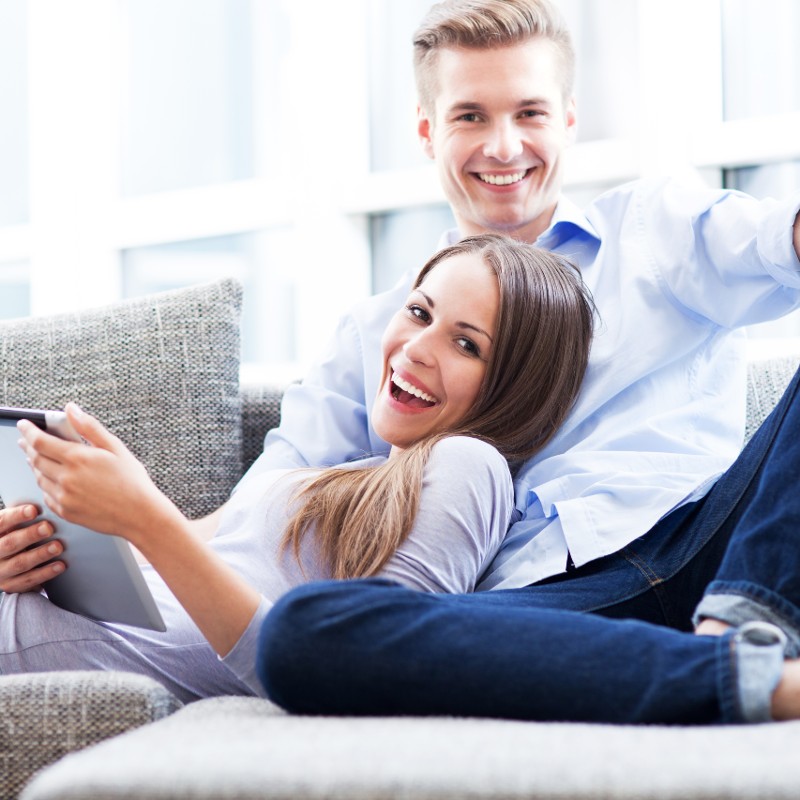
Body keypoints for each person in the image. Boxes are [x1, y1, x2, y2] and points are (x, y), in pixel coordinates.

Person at [248, 0, 800, 724]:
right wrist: (115, 528)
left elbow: (774, 239)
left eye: (529, 113)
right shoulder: (381, 335)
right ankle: (749, 679)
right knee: (299, 634)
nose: (504, 147)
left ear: (568, 118)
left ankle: (736, 637)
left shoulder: (654, 228)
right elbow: (260, 511)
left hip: (720, 548)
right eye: (470, 116)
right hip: (542, 611)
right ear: (427, 130)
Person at [0, 235, 594, 703]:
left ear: (517, 387)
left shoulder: (471, 465)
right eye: (418, 312)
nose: (415, 348)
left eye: (467, 345)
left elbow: (355, 679)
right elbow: (186, 562)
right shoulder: (355, 477)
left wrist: (146, 518)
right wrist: (51, 543)